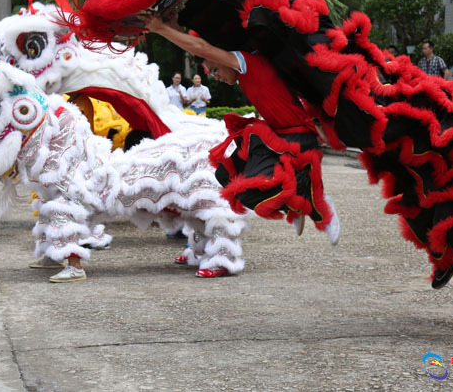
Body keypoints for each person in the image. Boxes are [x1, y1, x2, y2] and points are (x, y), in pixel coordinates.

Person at [141, 14, 341, 263]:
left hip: (298, 138)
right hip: (274, 135)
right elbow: (201, 45)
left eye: (214, 69)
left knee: (248, 195)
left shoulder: (246, 61)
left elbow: (202, 47)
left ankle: (315, 202)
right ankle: (295, 200)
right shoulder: (243, 69)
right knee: (225, 175)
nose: (216, 76)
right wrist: (171, 26)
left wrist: (161, 29)